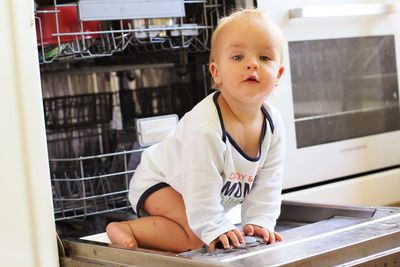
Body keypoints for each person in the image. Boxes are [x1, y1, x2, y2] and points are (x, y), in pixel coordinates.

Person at [106, 8, 286, 253]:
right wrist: (213, 227)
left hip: (195, 193)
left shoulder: (273, 125)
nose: (252, 64)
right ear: (216, 73)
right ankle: (127, 229)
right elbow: (200, 187)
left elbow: (268, 183)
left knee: (201, 229)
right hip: (160, 182)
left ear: (278, 75)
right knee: (194, 238)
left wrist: (259, 222)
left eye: (264, 58)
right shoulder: (206, 126)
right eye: (237, 57)